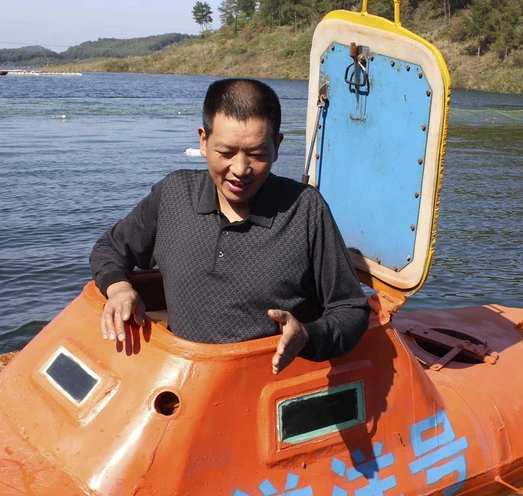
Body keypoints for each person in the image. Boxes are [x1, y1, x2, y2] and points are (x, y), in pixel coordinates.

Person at [90, 79, 369, 374]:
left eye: (257, 155)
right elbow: (109, 248)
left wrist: (307, 336)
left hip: (267, 383)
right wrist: (119, 288)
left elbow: (351, 309)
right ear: (203, 141)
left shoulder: (305, 209)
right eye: (225, 153)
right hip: (184, 378)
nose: (240, 170)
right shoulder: (174, 194)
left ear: (277, 146)